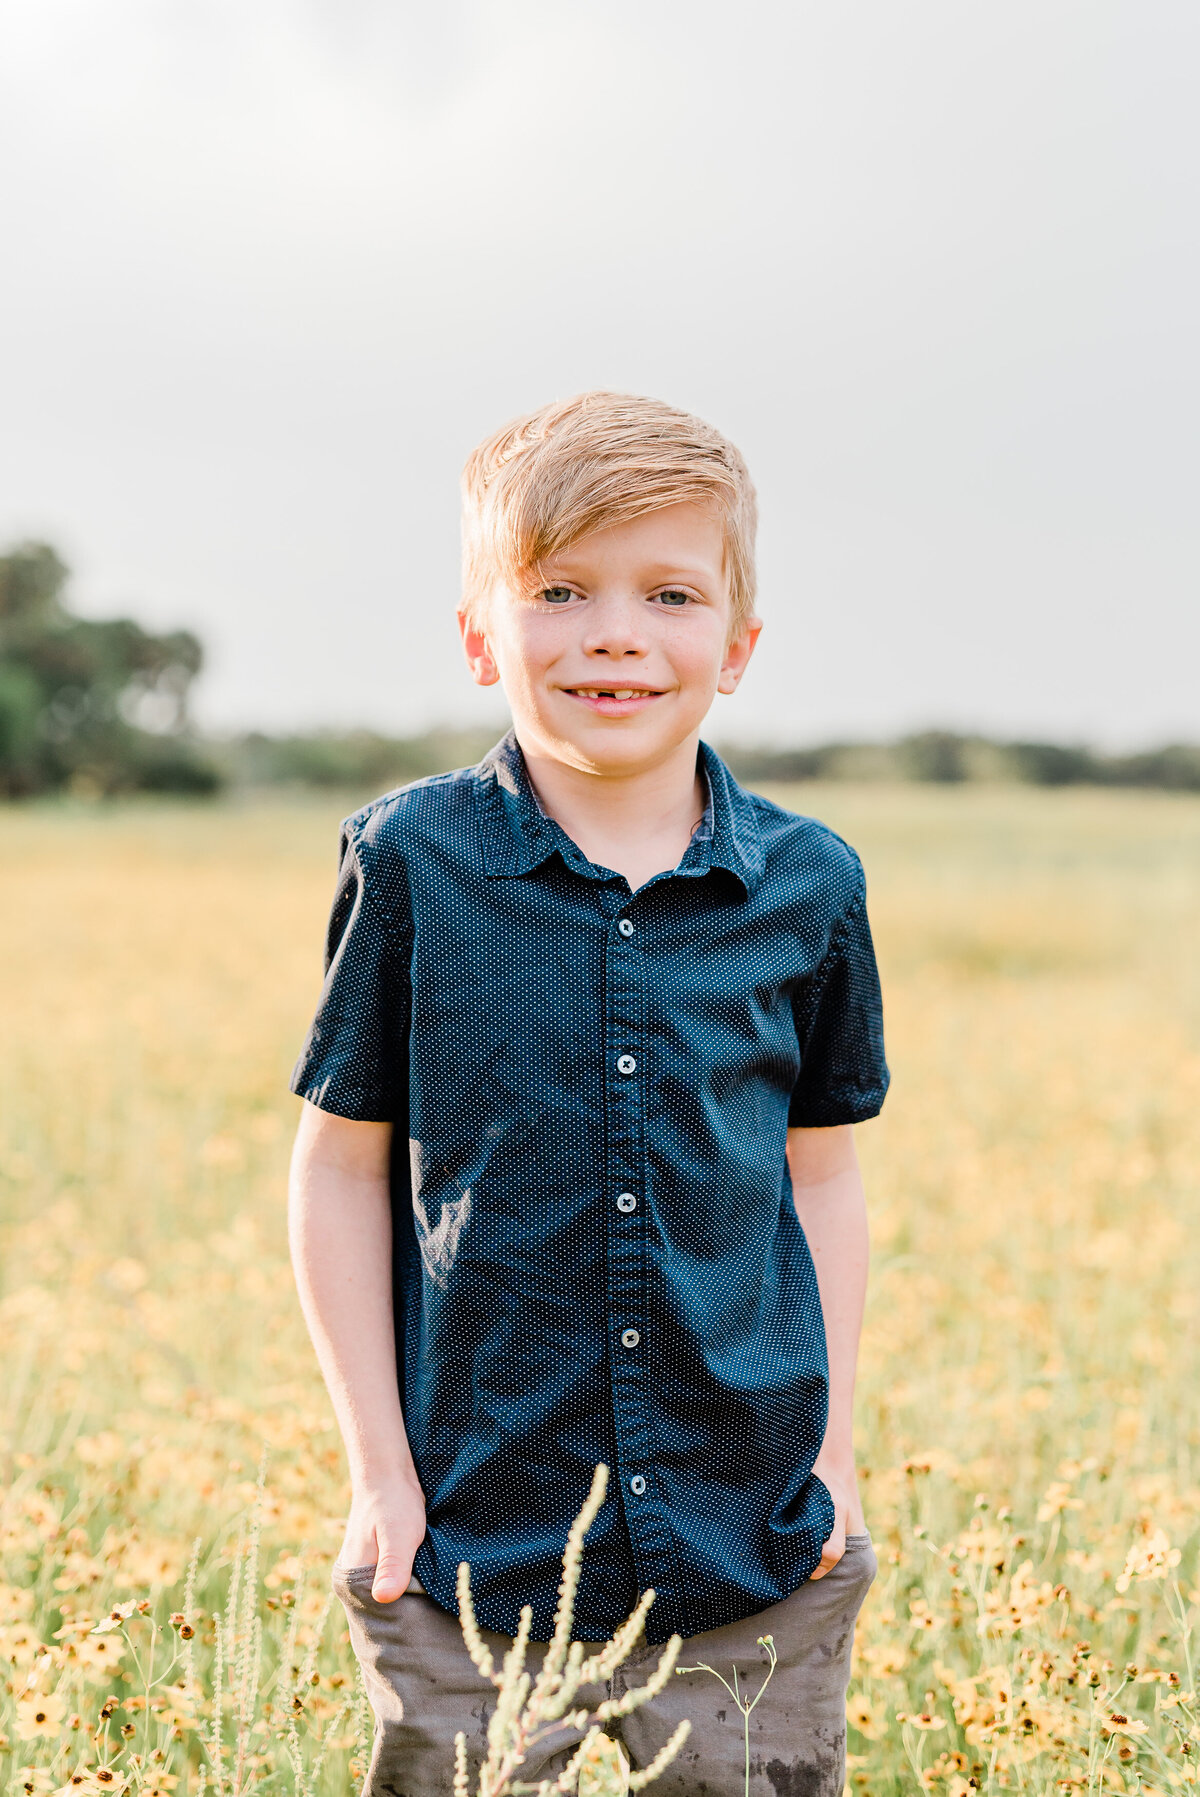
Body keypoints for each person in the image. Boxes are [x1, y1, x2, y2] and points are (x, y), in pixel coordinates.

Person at [287, 391, 890, 1795]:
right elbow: (337, 1168)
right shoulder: (413, 864)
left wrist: (837, 1455)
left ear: (735, 646)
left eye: (668, 592)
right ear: (479, 634)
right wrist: (381, 1471)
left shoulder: (812, 884)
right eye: (559, 588)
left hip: (754, 1538)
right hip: (464, 1544)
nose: (614, 630)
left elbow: (822, 1176)